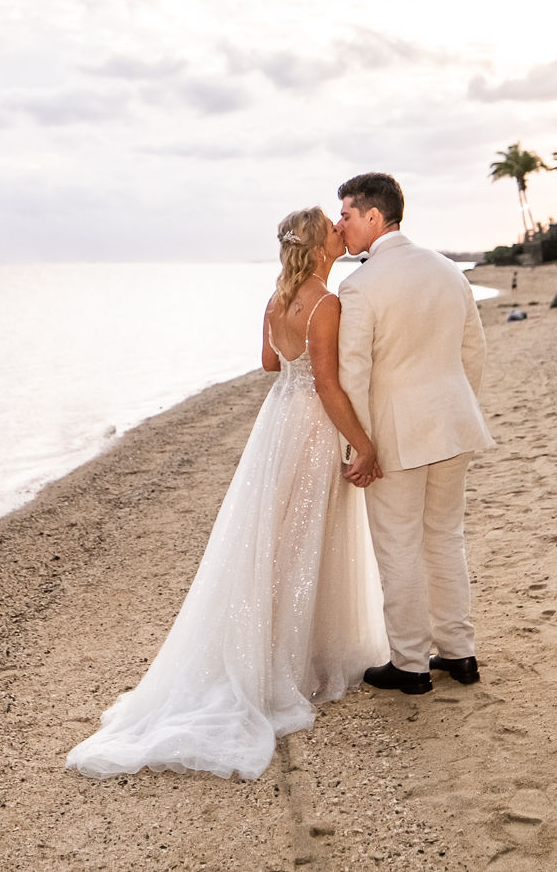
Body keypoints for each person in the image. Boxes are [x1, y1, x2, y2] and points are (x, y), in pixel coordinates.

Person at [65, 207, 388, 780]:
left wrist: (298, 364)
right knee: (303, 537)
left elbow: (269, 364)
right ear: (318, 247)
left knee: (277, 536)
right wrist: (361, 443)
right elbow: (329, 384)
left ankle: (281, 655)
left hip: (277, 423)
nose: (342, 232)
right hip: (311, 426)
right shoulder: (326, 302)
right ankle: (295, 665)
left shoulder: (276, 299)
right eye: (333, 229)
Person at [334, 172, 494, 696]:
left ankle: (409, 664)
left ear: (374, 217)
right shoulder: (449, 270)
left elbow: (352, 372)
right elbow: (474, 352)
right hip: (452, 424)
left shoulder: (360, 284)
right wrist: (453, 407)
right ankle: (459, 652)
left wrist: (358, 444)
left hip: (396, 436)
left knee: (399, 546)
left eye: (347, 215)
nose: (341, 225)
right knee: (445, 539)